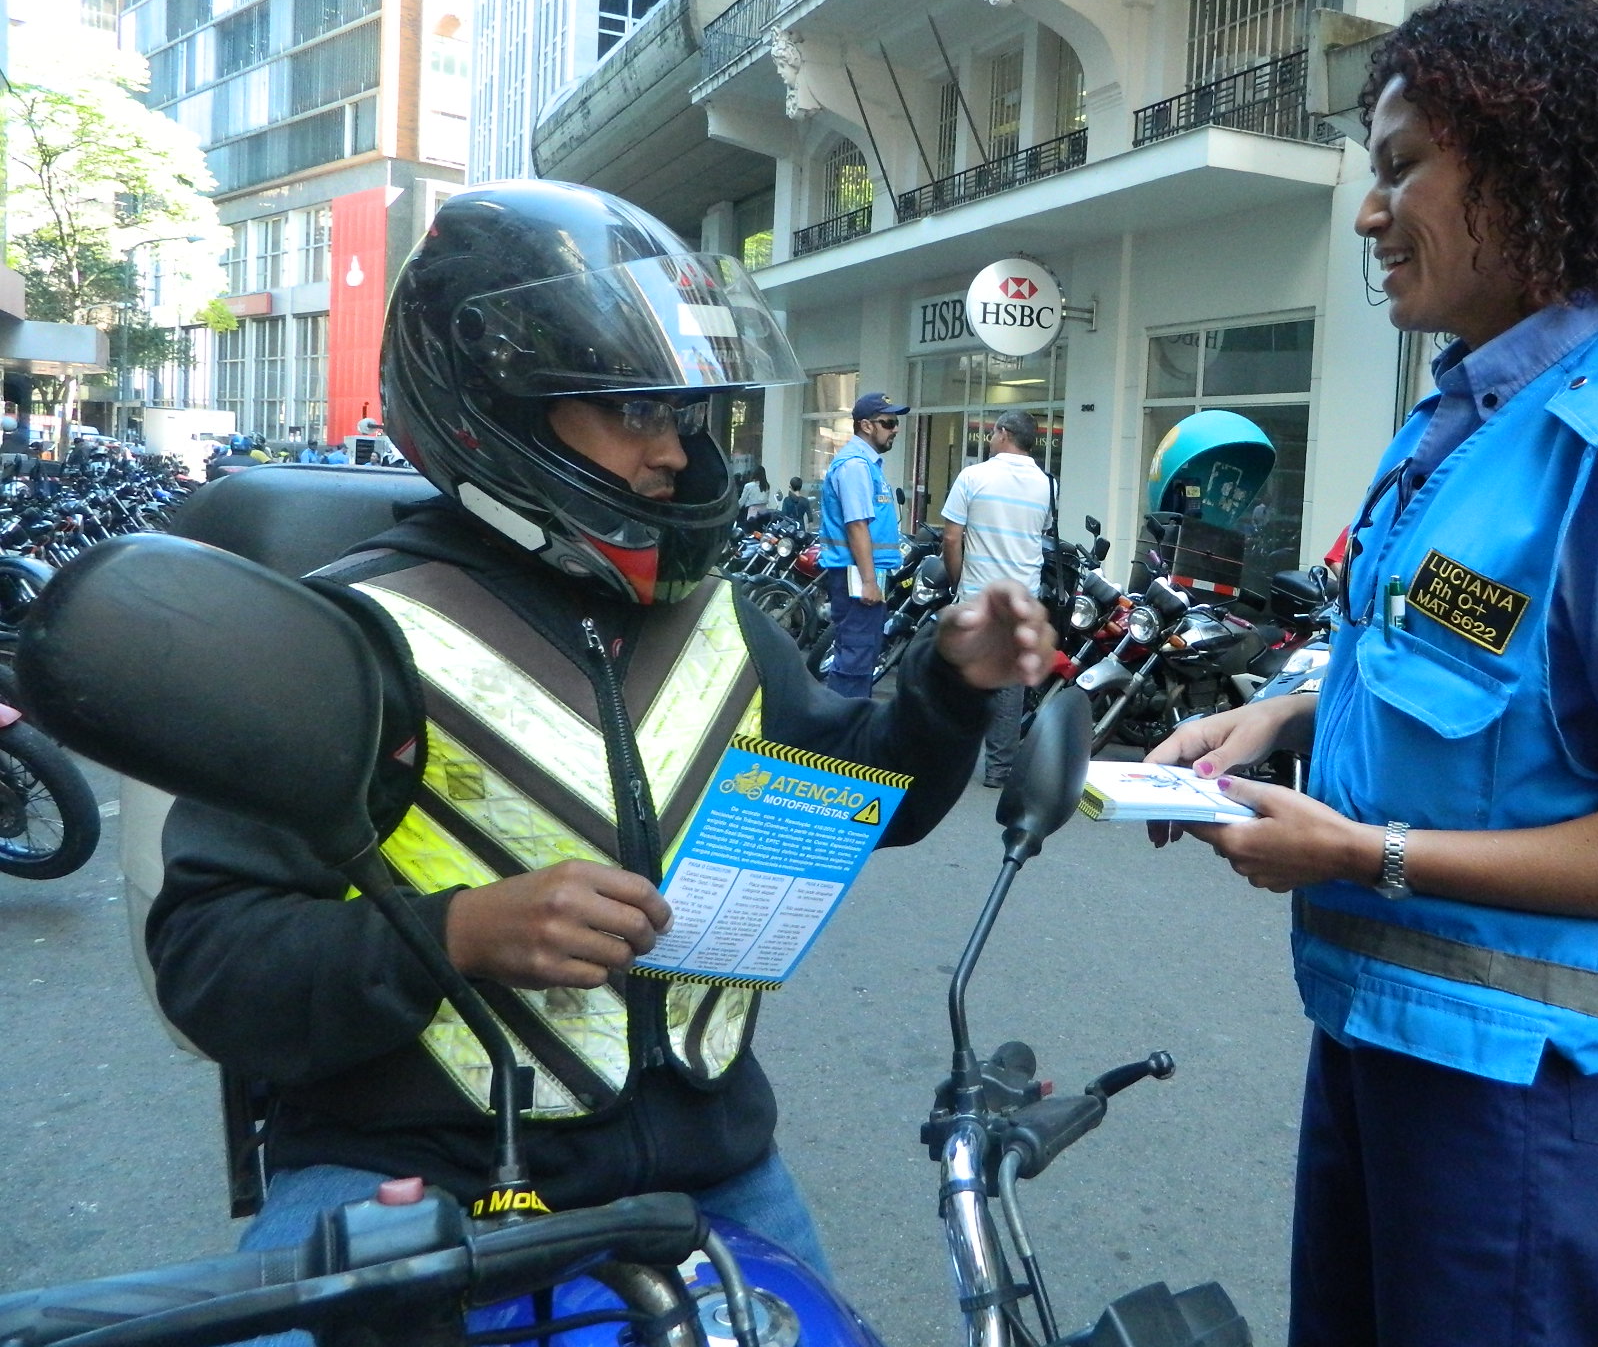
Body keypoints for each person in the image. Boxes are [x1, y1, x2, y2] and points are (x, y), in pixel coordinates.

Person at [145, 183, 1053, 1308]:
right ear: (503, 409)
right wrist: (458, 933)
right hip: (413, 1176)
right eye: (632, 410)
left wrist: (947, 686)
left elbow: (861, 797)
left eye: (684, 412)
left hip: (712, 1173)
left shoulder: (717, 619)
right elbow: (211, 962)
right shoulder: (350, 640)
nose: (676, 452)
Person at [1145, 0, 1598, 1347]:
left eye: (1400, 169)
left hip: (1526, 1092)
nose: (1370, 213)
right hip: (1384, 1034)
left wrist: (1361, 852)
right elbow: (1454, 666)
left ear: (1532, 173)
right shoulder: (1459, 423)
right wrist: (1276, 714)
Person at [941, 410, 1053, 787]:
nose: (989, 438)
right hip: (1023, 598)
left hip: (979, 595)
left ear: (1004, 434)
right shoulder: (1046, 484)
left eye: (992, 433)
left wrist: (956, 579)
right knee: (1009, 684)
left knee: (960, 677)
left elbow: (951, 537)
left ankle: (948, 761)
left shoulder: (974, 476)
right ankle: (999, 768)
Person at [817, 391, 905, 699]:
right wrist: (868, 581)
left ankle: (848, 726)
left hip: (862, 574)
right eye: (889, 422)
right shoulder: (855, 465)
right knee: (855, 657)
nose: (895, 428)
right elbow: (857, 525)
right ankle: (842, 733)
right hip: (856, 577)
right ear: (866, 425)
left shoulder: (867, 464)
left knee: (862, 654)